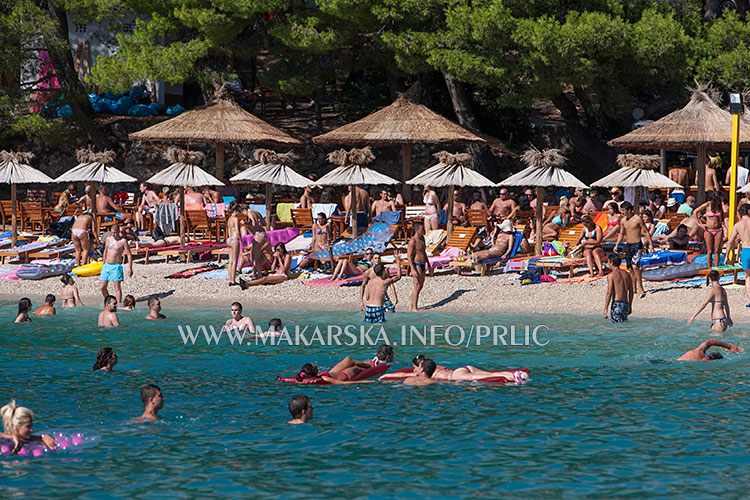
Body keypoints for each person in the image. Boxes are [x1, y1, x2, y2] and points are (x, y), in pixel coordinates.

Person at [614, 201, 653, 297]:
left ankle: (640, 288)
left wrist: (651, 244)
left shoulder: (637, 219)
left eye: (623, 210)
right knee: (630, 268)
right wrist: (616, 245)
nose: (621, 212)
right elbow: (622, 234)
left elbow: (646, 232)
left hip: (637, 245)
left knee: (635, 266)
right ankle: (633, 288)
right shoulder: (623, 220)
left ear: (628, 210)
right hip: (628, 245)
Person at [100, 224, 133, 305]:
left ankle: (117, 304)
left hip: (116, 266)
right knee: (102, 287)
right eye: (112, 233)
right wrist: (103, 264)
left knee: (117, 287)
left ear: (119, 232)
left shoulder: (123, 241)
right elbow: (105, 251)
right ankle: (108, 301)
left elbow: (129, 254)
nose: (113, 234)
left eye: (115, 233)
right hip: (107, 265)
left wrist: (130, 268)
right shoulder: (108, 239)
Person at [726, 203, 750, 306]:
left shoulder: (738, 225)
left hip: (745, 250)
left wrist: (727, 255)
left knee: (748, 277)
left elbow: (730, 242)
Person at [694, 196, 724, 269]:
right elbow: (695, 211)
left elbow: (722, 217)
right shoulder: (707, 205)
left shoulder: (719, 207)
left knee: (717, 250)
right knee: (709, 251)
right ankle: (709, 269)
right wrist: (699, 223)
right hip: (709, 230)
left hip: (718, 229)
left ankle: (716, 269)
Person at [603, 254, 633, 323]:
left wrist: (605, 309)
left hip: (617, 304)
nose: (608, 264)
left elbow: (609, 292)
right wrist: (630, 305)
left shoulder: (611, 276)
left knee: (616, 326)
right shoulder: (627, 274)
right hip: (625, 304)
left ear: (611, 262)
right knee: (624, 324)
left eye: (608, 262)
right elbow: (631, 291)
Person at [408, 220, 429, 312]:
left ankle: (412, 305)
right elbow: (409, 256)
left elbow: (423, 252)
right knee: (417, 285)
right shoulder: (413, 241)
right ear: (417, 230)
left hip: (423, 263)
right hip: (416, 265)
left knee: (421, 286)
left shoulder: (422, 239)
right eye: (422, 229)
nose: (423, 230)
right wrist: (412, 269)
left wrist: (428, 263)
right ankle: (414, 307)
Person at [677, 339, 743, 361]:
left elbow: (711, 341)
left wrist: (730, 346)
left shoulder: (698, 352)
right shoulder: (705, 362)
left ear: (708, 353)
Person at [226, 203, 243, 286]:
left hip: (229, 239)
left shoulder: (229, 219)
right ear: (236, 211)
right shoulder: (235, 219)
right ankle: (233, 280)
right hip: (235, 239)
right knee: (235, 262)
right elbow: (237, 231)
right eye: (239, 212)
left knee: (230, 261)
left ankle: (230, 279)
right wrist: (242, 242)